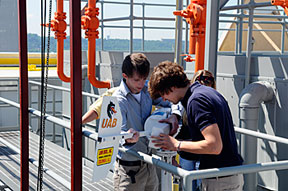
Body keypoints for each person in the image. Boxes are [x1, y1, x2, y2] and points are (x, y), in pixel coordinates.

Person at [148, 61, 244, 191]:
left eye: (163, 95)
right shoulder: (205, 92)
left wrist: (176, 144)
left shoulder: (196, 101)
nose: (164, 100)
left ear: (171, 87)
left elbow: (214, 146)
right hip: (225, 175)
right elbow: (204, 140)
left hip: (220, 180)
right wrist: (175, 149)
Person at [112, 53, 181, 191]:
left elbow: (172, 100)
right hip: (129, 169)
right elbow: (116, 134)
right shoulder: (118, 100)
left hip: (149, 163)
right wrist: (127, 136)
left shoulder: (147, 90)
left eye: (144, 79)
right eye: (137, 80)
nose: (141, 84)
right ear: (125, 76)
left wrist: (175, 115)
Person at [176, 69, 216, 191]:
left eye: (208, 80)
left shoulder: (195, 101)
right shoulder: (191, 102)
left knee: (196, 186)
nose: (205, 83)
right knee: (190, 186)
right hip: (191, 153)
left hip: (200, 154)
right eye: (203, 80)